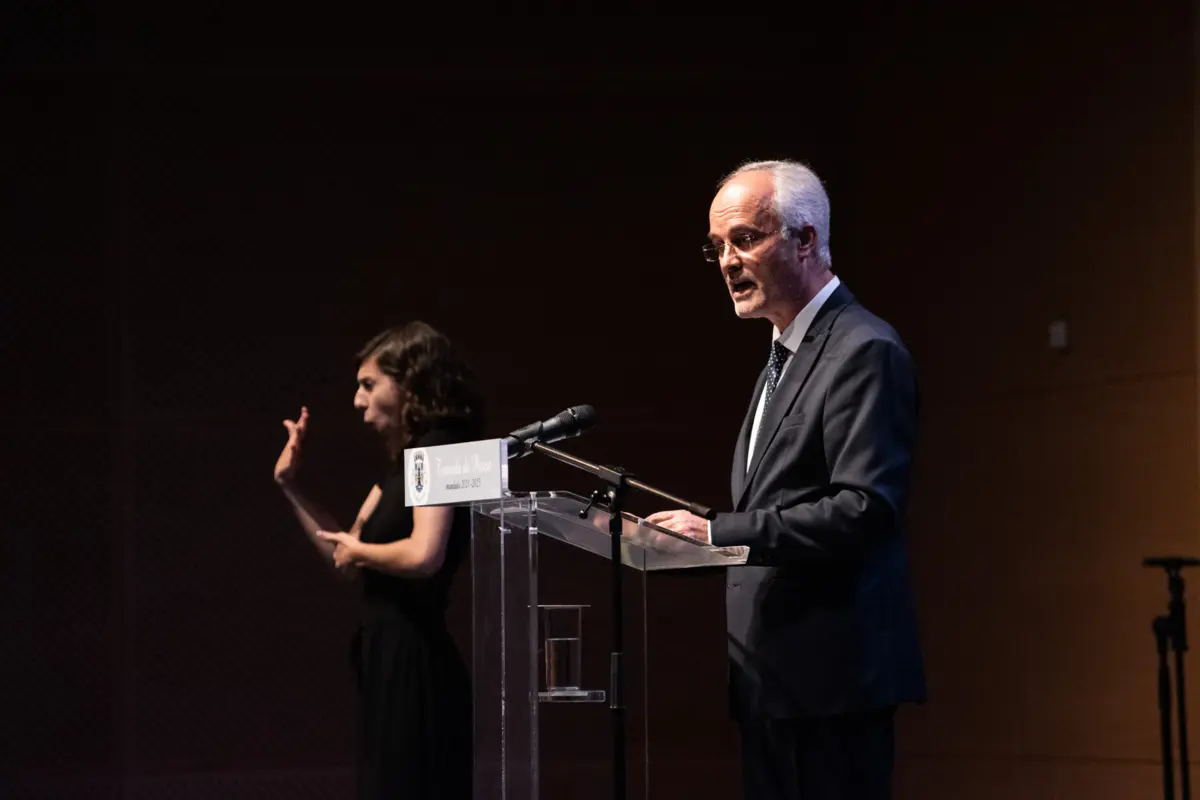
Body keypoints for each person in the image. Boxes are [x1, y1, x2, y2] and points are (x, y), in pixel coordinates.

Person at [646, 160, 926, 800]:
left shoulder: (864, 349)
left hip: (831, 684)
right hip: (772, 679)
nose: (727, 262)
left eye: (745, 239)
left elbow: (865, 509)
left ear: (805, 240)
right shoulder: (784, 355)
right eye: (717, 247)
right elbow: (780, 500)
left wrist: (718, 532)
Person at [273, 321, 483, 800]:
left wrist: (359, 551)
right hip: (384, 656)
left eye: (369, 385)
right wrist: (290, 485)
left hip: (415, 660)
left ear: (409, 384)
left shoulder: (440, 449)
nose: (357, 400)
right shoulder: (402, 465)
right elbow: (344, 554)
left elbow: (425, 554)